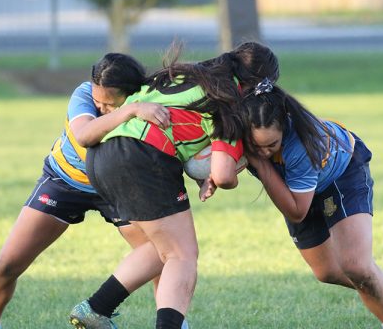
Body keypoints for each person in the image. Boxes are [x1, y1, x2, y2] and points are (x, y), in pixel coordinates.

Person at [68, 42, 280, 329]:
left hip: (101, 156)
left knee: (163, 247)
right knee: (182, 255)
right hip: (143, 156)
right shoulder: (228, 102)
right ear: (255, 85)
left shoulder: (186, 75)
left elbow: (184, 126)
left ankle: (95, 308)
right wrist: (234, 165)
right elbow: (225, 175)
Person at [0, 53, 171, 329]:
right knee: (8, 265)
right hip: (65, 181)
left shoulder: (148, 103)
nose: (102, 108)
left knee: (160, 257)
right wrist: (128, 111)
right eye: (98, 102)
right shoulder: (85, 94)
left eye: (110, 104)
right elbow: (84, 134)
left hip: (118, 187)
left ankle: (174, 324)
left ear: (132, 94)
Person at [227, 79, 383, 328]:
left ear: (284, 128)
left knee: (356, 267)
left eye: (272, 145)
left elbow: (297, 211)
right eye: (256, 146)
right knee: (327, 272)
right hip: (298, 187)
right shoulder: (241, 130)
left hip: (340, 174)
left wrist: (258, 163)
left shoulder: (302, 146)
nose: (264, 152)